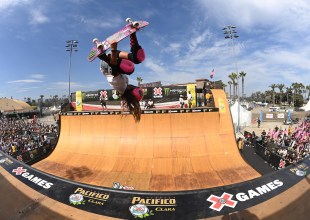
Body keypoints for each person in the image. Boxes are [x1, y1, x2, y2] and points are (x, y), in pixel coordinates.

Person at [95, 32, 145, 122]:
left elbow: (113, 68)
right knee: (137, 58)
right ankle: (132, 34)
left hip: (106, 64)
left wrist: (114, 49)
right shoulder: (124, 85)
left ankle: (102, 56)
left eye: (135, 86)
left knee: (129, 69)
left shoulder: (120, 85)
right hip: (112, 59)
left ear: (132, 89)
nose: (134, 85)